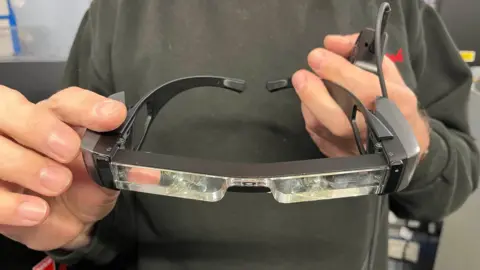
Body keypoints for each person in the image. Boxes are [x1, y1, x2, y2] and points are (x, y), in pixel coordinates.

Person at [0, 0, 478, 269]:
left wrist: (419, 148)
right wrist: (72, 227)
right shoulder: (119, 10)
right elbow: (79, 201)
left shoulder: (401, 9)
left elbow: (453, 180)